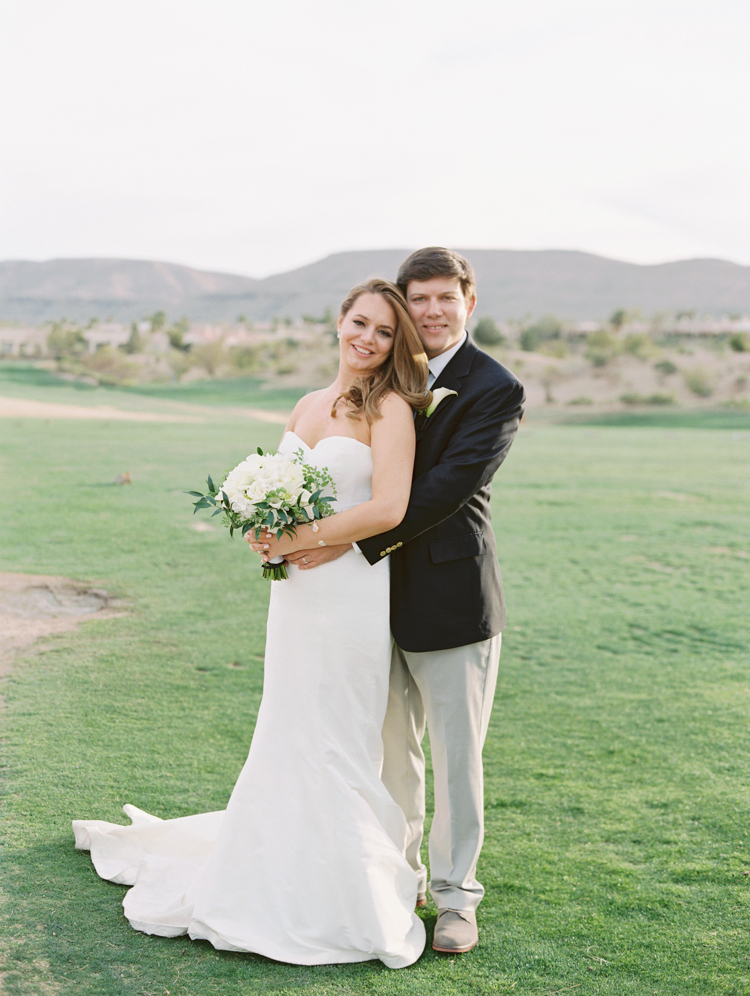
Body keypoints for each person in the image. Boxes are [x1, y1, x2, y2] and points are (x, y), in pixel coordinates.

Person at [73, 278, 432, 969]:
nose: (368, 339)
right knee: (289, 722)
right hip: (295, 594)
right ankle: (270, 867)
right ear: (339, 320)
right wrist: (263, 529)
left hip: (350, 591)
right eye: (360, 322)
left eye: (385, 332)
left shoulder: (389, 409)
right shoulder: (305, 404)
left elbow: (389, 507)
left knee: (338, 732)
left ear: (397, 344)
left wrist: (305, 536)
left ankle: (341, 894)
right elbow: (277, 487)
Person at [271, 248, 525, 955]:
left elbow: (445, 490)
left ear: (469, 302)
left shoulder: (494, 387)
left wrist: (337, 540)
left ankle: (456, 899)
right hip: (364, 605)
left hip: (449, 597)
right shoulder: (386, 378)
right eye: (422, 300)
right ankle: (398, 877)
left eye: (448, 298)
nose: (434, 311)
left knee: (455, 755)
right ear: (404, 308)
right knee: (389, 753)